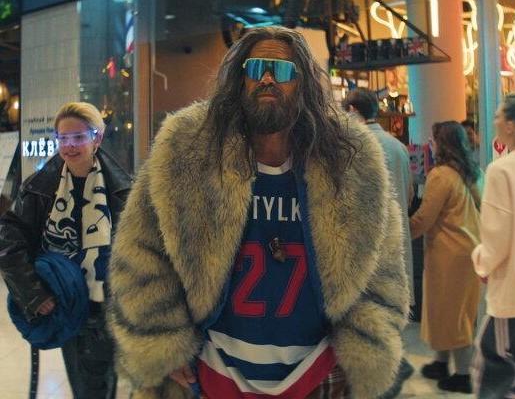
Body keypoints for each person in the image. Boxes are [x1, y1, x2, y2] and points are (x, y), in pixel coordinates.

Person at [108, 26, 409, 399]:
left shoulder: (350, 161)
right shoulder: (187, 148)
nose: (267, 79)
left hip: (318, 371)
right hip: (210, 370)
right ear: (240, 79)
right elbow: (139, 252)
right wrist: (161, 338)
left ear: (303, 83)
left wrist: (362, 349)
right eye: (255, 69)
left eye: (281, 70)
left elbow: (383, 268)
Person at [0, 102, 132, 399]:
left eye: (79, 137)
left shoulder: (124, 189)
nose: (70, 146)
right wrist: (33, 294)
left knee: (104, 381)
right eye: (63, 138)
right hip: (68, 302)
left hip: (114, 305)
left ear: (97, 138)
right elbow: (9, 241)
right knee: (90, 385)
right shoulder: (38, 188)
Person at [342, 88, 414, 398]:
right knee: (392, 309)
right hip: (398, 242)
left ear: (353, 110)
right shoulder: (398, 147)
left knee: (368, 314)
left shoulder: (353, 145)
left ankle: (384, 375)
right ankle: (396, 363)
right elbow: (409, 195)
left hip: (365, 245)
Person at [410, 121, 482, 394]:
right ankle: (441, 363)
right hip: (466, 251)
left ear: (443, 144)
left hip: (448, 255)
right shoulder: (467, 172)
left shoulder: (440, 175)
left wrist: (399, 231)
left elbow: (424, 218)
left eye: (433, 139)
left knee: (453, 314)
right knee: (449, 310)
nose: (430, 143)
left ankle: (463, 375)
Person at [470, 93, 515, 398]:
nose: (493, 121)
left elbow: (496, 240)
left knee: (494, 381)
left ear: (511, 125)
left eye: (498, 116)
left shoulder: (502, 170)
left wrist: (480, 261)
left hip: (514, 297)